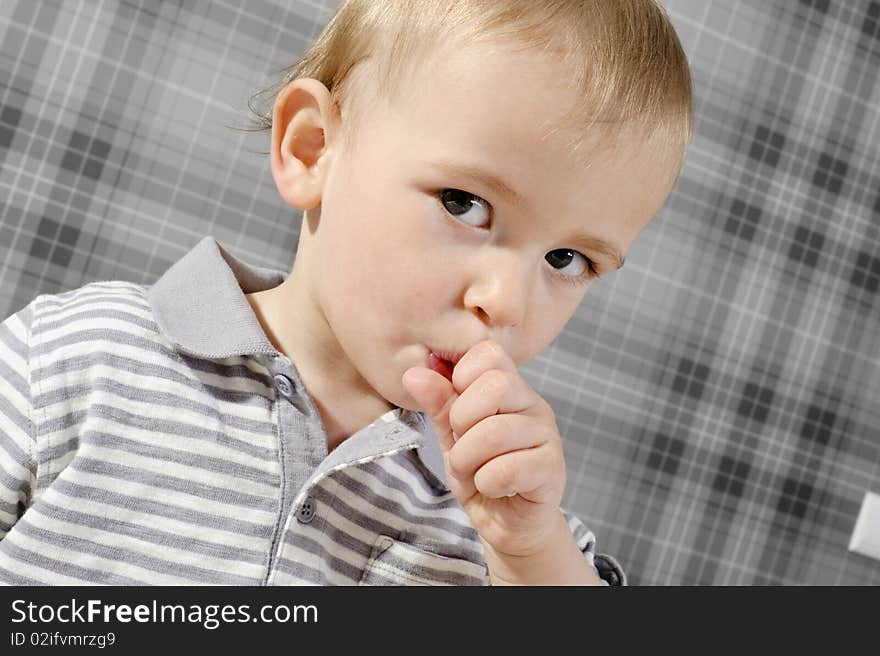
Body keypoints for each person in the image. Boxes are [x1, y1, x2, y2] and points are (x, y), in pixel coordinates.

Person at [0, 0, 692, 585]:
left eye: (566, 258)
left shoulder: (513, 522)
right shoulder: (72, 357)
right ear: (311, 150)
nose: (505, 301)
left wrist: (530, 554)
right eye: (464, 203)